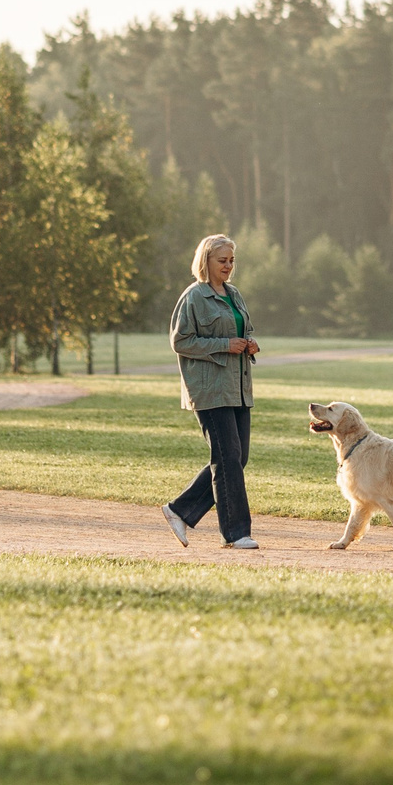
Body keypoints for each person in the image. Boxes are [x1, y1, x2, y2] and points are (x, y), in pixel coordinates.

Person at [162, 233, 260, 549]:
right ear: (206, 261)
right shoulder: (193, 297)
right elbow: (180, 341)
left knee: (236, 457)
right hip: (209, 390)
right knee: (228, 456)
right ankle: (236, 533)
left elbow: (243, 329)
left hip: (238, 388)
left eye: (231, 260)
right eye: (222, 261)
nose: (228, 266)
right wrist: (224, 346)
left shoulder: (234, 294)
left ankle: (180, 510)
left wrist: (249, 344)